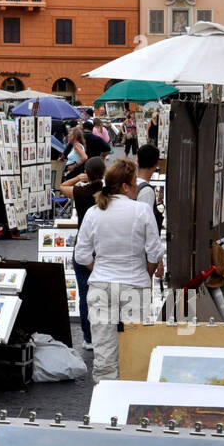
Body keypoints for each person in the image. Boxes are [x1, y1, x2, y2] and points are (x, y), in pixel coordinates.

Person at [73, 158, 162, 380]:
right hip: (134, 284)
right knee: (135, 348)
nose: (136, 187)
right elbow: (154, 252)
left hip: (102, 284)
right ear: (125, 185)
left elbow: (81, 255)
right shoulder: (141, 210)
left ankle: (104, 404)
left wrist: (99, 268)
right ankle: (131, 402)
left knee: (104, 350)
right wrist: (147, 272)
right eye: (134, 183)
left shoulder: (94, 212)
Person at [58, 156, 107, 349]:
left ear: (88, 172)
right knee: (103, 292)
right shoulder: (106, 193)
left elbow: (62, 186)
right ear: (103, 172)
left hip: (83, 244)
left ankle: (88, 338)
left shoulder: (81, 191)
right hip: (102, 246)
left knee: (85, 293)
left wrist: (79, 177)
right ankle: (103, 333)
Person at [134, 143, 164, 233]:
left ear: (137, 162)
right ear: (157, 163)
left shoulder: (132, 184)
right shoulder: (146, 190)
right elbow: (145, 222)